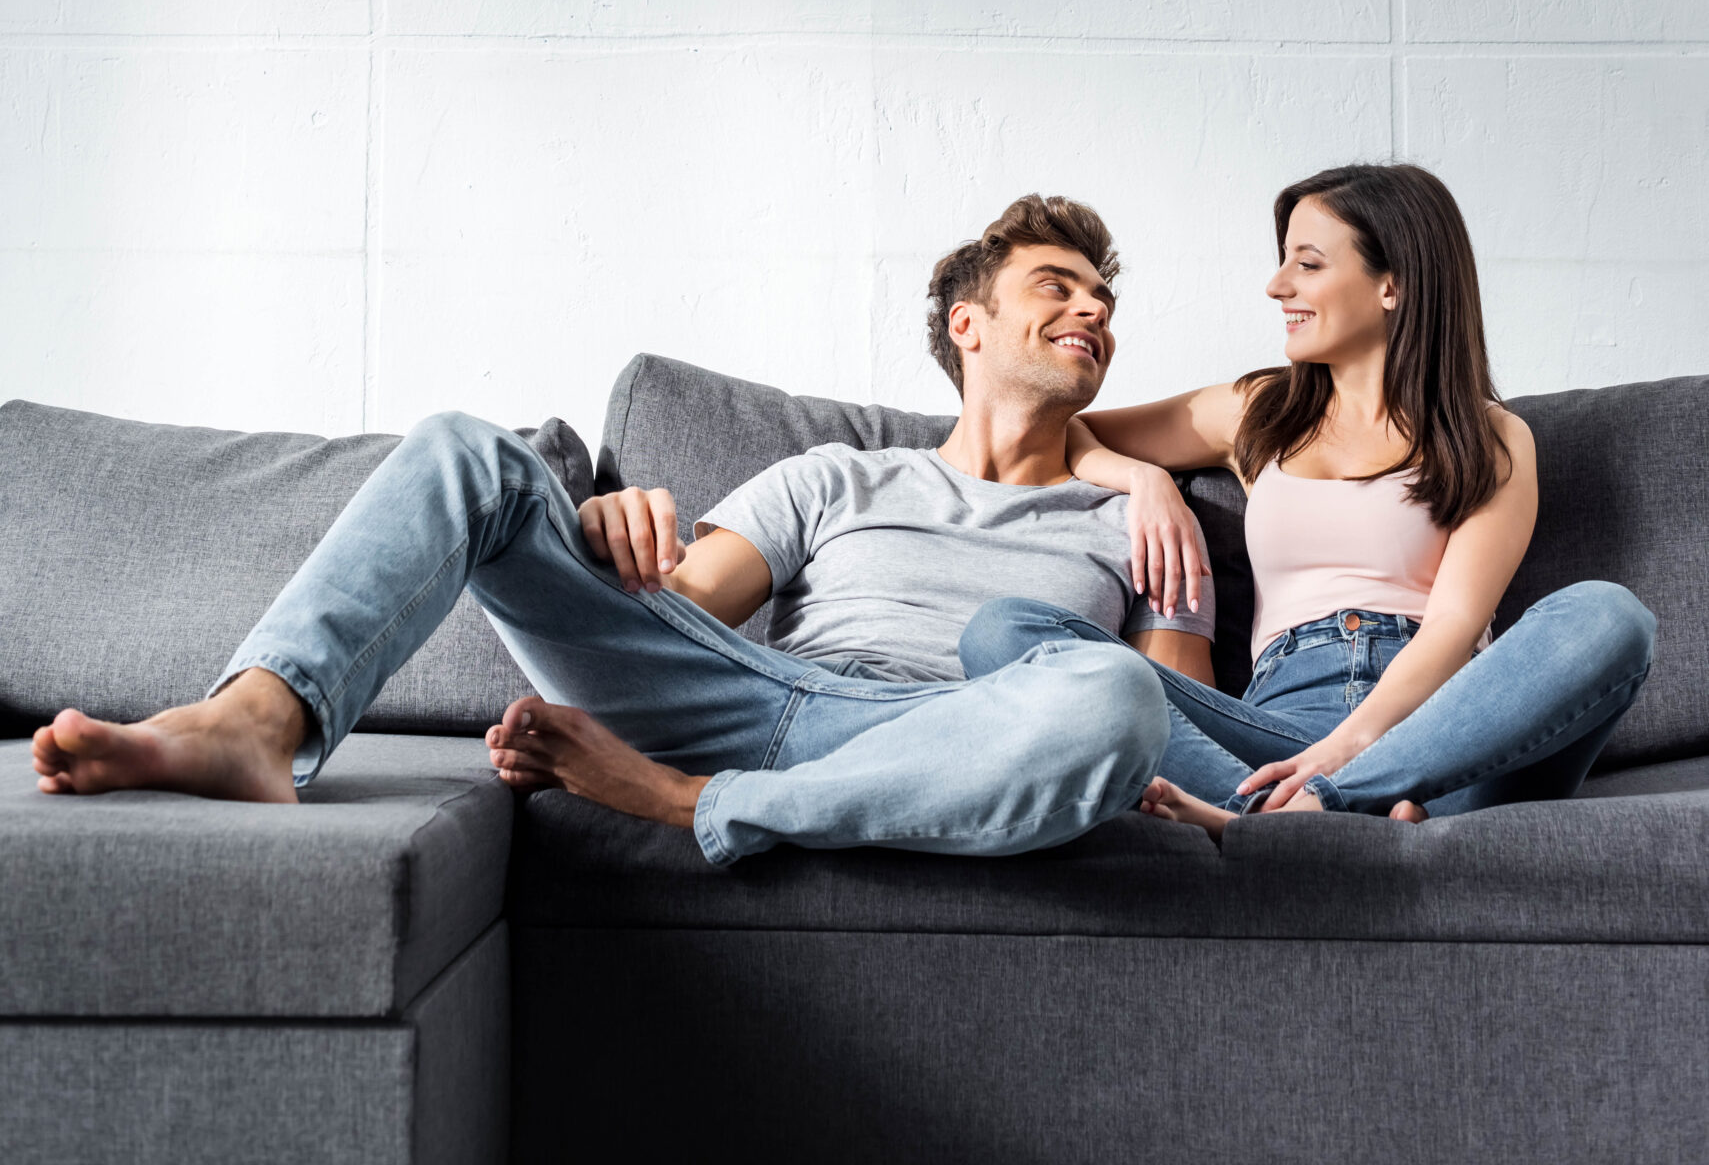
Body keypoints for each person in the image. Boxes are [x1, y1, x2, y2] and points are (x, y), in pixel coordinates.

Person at [32, 194, 1215, 869]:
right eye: (1057, 285)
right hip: (749, 692)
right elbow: (687, 607)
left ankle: (681, 803)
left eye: (1103, 300)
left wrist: (1141, 488)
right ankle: (257, 720)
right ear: (968, 322)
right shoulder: (841, 474)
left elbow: (1177, 720)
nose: (1092, 309)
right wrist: (609, 539)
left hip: (946, 734)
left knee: (1112, 702)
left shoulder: (1136, 523)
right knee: (465, 446)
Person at [967, 162, 1654, 831]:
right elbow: (1070, 430)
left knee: (1609, 617)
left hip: (1442, 739)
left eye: (1307, 263)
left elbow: (1452, 624)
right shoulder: (1256, 411)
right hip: (1271, 736)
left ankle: (1282, 823)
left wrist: (1345, 757)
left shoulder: (1491, 436)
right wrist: (1144, 480)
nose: (1275, 285)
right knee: (1006, 633)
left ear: (1392, 284)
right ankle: (1315, 822)